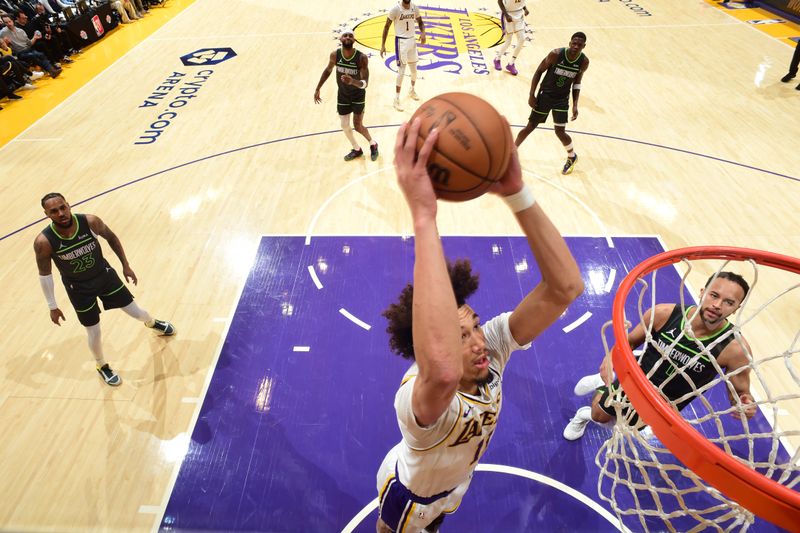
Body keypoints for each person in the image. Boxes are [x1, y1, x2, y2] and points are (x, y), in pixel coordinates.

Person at [375, 118, 584, 532]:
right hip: (410, 495)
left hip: (456, 482)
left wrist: (516, 193)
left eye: (474, 327)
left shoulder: (490, 348)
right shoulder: (419, 398)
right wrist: (423, 216)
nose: (477, 343)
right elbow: (444, 371)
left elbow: (565, 288)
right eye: (459, 338)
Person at [563, 272, 757, 441]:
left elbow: (739, 392)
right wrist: (610, 360)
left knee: (627, 428)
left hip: (666, 402)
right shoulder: (664, 313)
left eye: (729, 302)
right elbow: (630, 341)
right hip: (636, 380)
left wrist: (743, 403)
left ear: (737, 307)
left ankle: (602, 390)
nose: (717, 305)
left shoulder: (736, 349)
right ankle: (584, 412)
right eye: (713, 295)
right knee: (599, 415)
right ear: (702, 292)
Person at [34, 193, 176, 386]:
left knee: (136, 312)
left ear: (68, 205)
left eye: (62, 207)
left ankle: (151, 323)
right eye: (54, 211)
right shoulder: (44, 242)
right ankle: (102, 366)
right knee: (94, 331)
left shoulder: (90, 221)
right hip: (78, 289)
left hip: (105, 277)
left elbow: (112, 238)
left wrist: (125, 265)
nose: (61, 213)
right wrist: (52, 306)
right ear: (46, 214)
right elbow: (45, 274)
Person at [515, 32, 589, 175]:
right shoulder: (556, 54)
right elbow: (538, 72)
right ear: (569, 43)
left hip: (562, 99)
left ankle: (572, 157)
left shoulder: (584, 62)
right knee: (530, 127)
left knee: (560, 131)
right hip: (545, 96)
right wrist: (532, 94)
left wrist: (575, 105)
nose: (575, 46)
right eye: (574, 43)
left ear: (583, 46)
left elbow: (577, 83)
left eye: (579, 45)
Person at [314, 29, 379, 162]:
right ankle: (357, 149)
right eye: (345, 35)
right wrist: (318, 87)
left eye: (350, 36)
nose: (348, 37)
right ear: (340, 39)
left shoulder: (361, 58)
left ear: (354, 40)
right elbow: (328, 70)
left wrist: (352, 81)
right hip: (343, 95)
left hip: (357, 96)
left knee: (358, 125)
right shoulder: (335, 55)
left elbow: (365, 83)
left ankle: (373, 143)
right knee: (344, 125)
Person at [380, 0, 426, 111]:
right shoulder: (395, 9)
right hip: (401, 42)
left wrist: (423, 33)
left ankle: (412, 90)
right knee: (401, 71)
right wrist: (383, 45)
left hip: (412, 40)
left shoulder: (414, 7)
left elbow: (420, 22)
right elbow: (386, 26)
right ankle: (396, 99)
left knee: (414, 71)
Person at [493, 0, 529, 76]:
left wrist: (525, 9)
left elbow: (521, 2)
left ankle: (511, 64)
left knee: (522, 39)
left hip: (519, 15)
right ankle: (497, 59)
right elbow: (499, 1)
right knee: (508, 42)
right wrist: (506, 15)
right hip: (508, 15)